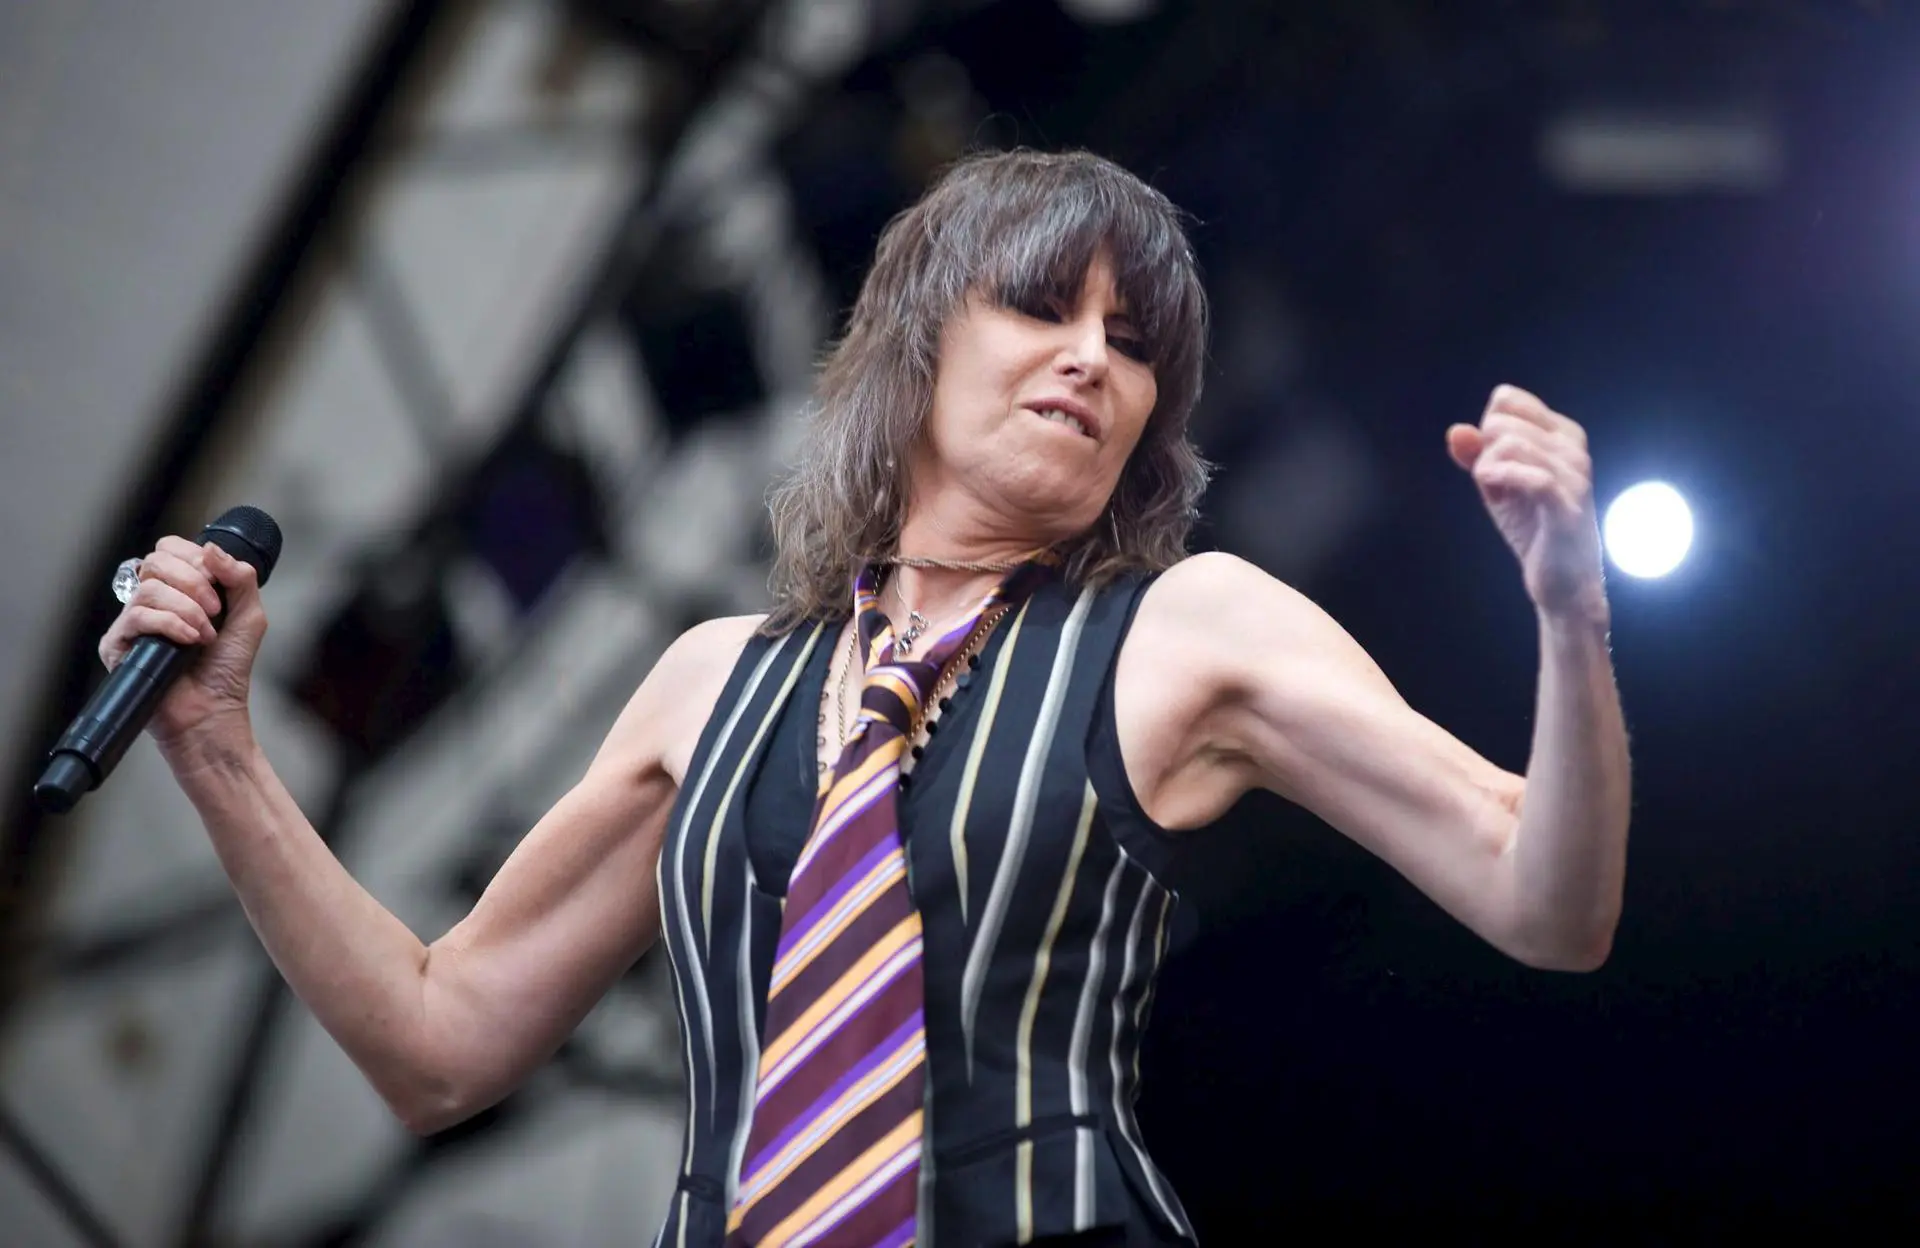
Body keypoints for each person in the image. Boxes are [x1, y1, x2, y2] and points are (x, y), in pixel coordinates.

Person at [101, 148, 1630, 1247]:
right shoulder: (714, 686)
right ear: (914, 347)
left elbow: (1541, 900)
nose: (1093, 360)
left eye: (1136, 343)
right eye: (1042, 308)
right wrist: (221, 750)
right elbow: (439, 1044)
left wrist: (1567, 616)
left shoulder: (1183, 629)